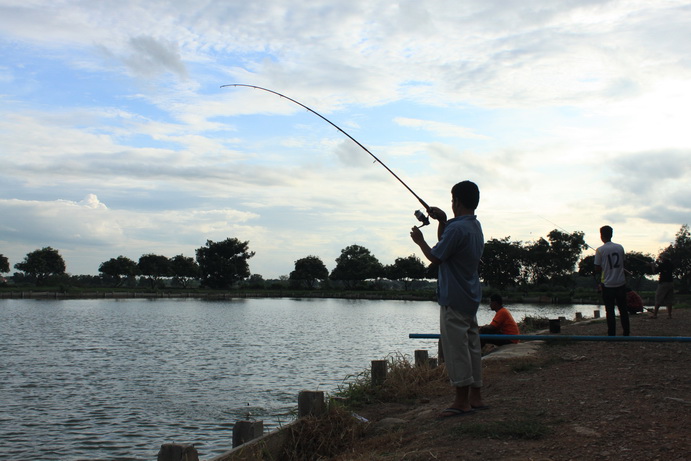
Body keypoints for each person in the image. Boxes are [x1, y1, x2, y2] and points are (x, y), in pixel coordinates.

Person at [410, 180, 485, 418]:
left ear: (458, 201)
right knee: (472, 347)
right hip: (470, 296)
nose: (451, 204)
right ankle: (476, 397)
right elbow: (446, 245)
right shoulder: (474, 226)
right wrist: (442, 221)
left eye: (452, 200)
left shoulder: (457, 229)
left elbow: (436, 256)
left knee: (456, 350)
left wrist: (419, 240)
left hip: (453, 297)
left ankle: (461, 401)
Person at [594, 225, 630, 336]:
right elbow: (623, 263)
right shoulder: (620, 247)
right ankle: (626, 332)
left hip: (608, 284)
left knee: (610, 311)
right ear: (611, 234)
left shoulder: (600, 250)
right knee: (623, 309)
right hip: (620, 283)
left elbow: (597, 268)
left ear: (601, 236)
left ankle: (611, 333)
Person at [651, 252, 674, 319]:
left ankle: (655, 315)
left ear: (664, 258)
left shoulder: (662, 265)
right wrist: (658, 264)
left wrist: (652, 266)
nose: (661, 258)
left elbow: (655, 272)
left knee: (658, 298)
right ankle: (669, 315)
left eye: (662, 257)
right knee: (669, 300)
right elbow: (664, 267)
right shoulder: (671, 264)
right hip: (671, 283)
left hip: (663, 283)